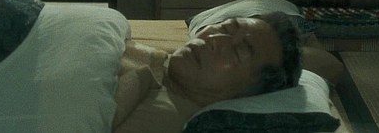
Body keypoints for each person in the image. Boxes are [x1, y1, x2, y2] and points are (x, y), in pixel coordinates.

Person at [112, 12, 302, 132]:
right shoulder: (158, 63)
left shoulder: (162, 118)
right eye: (225, 27)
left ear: (245, 94)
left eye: (238, 51)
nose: (214, 38)